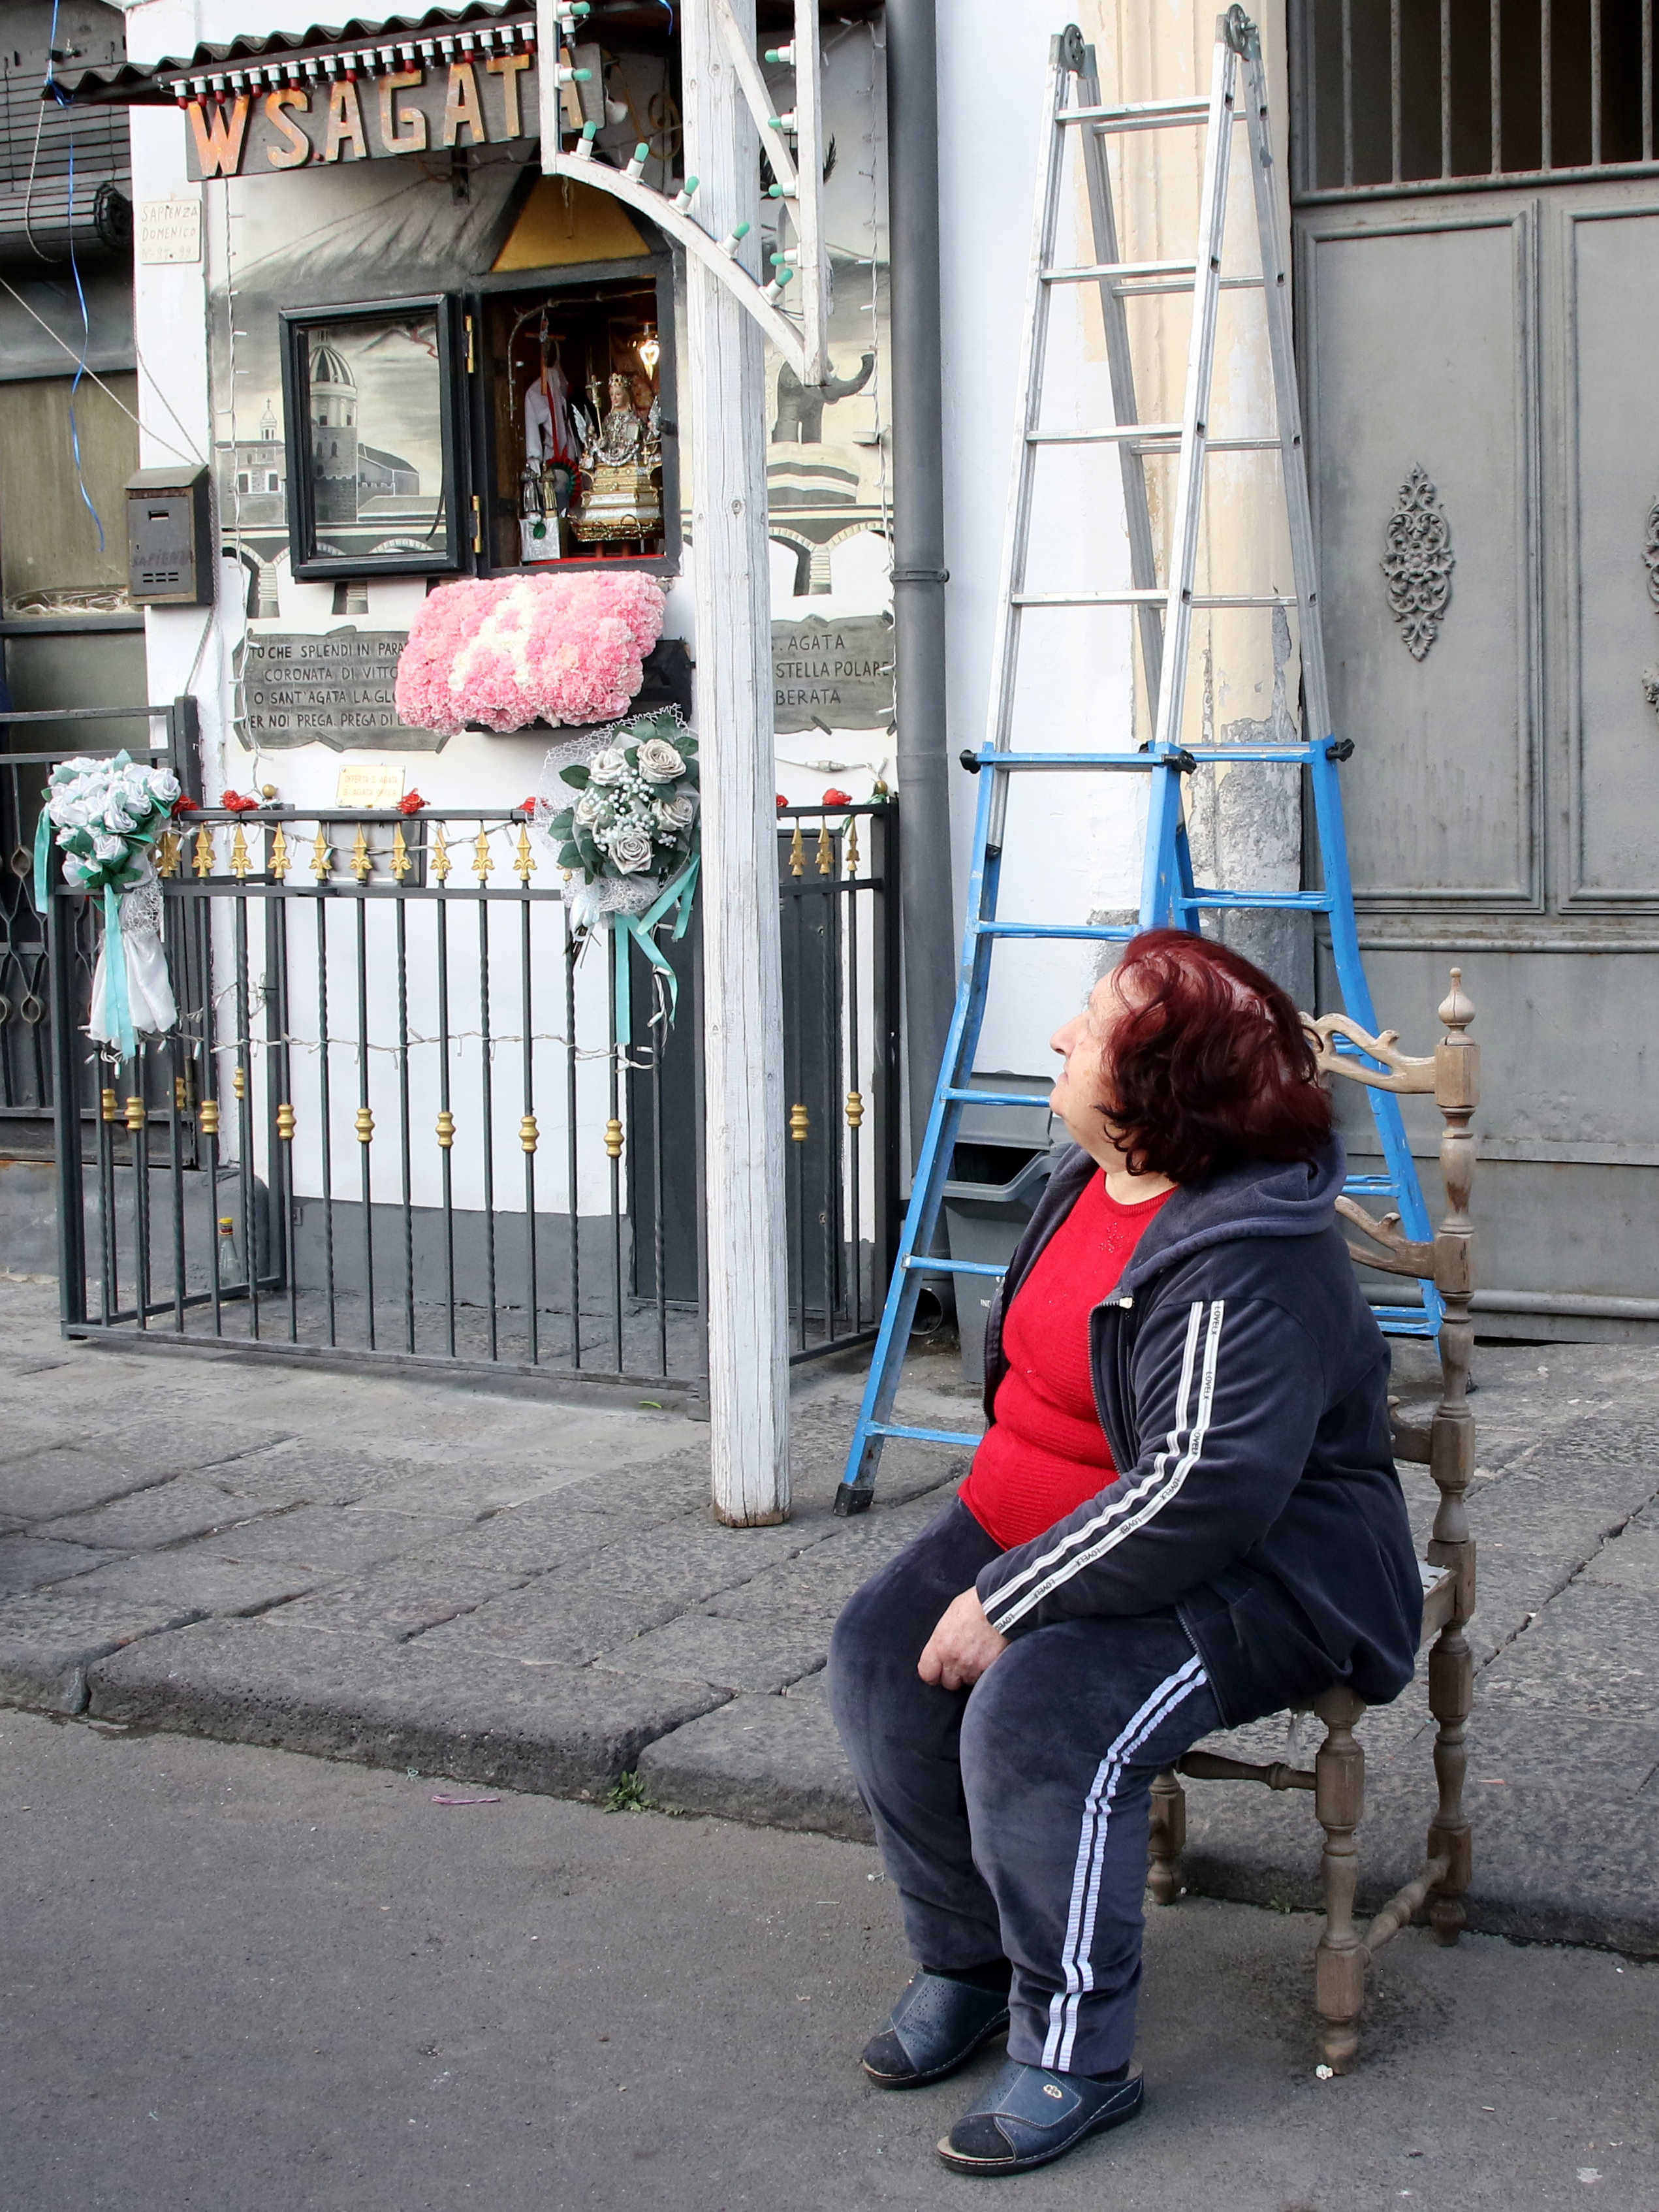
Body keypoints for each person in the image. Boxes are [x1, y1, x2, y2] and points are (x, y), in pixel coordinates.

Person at [829, 930, 1423, 2177]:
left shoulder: (1244, 1253)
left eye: (1090, 1024)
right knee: (879, 1656)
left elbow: (1202, 1491)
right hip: (1060, 1523)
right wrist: (1001, 1549)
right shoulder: (1081, 1177)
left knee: (1041, 1718)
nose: (1058, 1036)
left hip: (1263, 1572)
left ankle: (1076, 2054)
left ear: (1159, 1087)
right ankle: (968, 1963)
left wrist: (1011, 1598)